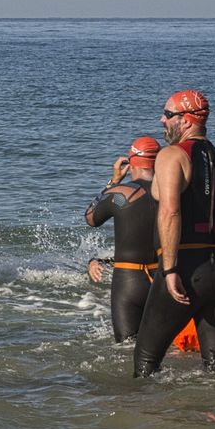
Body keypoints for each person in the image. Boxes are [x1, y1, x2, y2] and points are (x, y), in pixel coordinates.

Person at [133, 90, 215, 375]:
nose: (161, 121)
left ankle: (148, 417)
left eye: (167, 115)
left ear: (186, 120)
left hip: (187, 267)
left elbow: (170, 212)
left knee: (146, 362)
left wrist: (171, 268)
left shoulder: (172, 155)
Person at [85, 137, 160, 342]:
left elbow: (91, 217)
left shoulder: (120, 195)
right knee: (163, 346)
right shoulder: (175, 193)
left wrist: (114, 180)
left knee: (127, 349)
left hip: (129, 281)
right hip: (164, 278)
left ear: (130, 161)